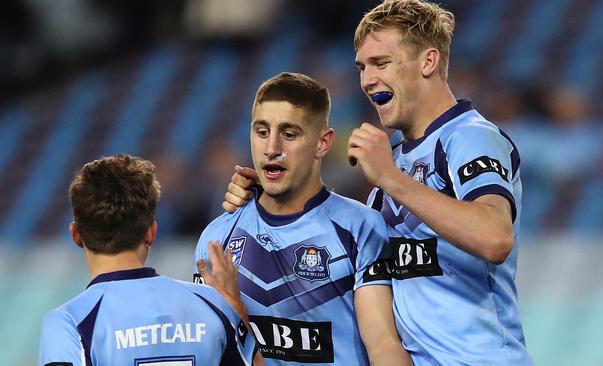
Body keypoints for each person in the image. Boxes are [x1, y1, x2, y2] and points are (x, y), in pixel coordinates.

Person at [224, 1, 534, 365]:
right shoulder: (395, 162)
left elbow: (494, 237)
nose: (367, 80)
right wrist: (271, 199)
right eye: (362, 67)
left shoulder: (467, 138)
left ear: (428, 62)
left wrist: (390, 177)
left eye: (381, 63)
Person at [194, 72, 412, 366]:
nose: (271, 148)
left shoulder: (359, 228)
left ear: (323, 143)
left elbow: (384, 345)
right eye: (261, 132)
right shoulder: (218, 238)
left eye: (289, 134)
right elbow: (210, 350)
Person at [38, 154, 258, 366]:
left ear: (76, 235)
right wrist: (237, 312)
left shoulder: (69, 323)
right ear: (151, 232)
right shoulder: (215, 305)